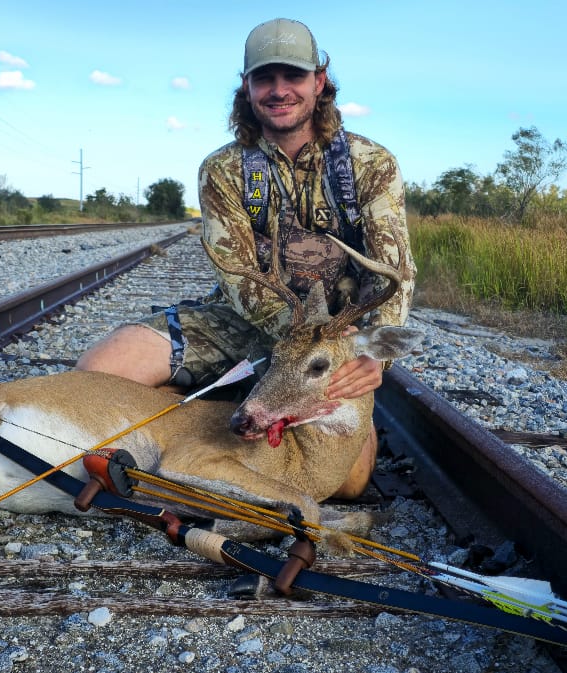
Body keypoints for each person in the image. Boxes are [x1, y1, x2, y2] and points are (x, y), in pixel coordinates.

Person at [76, 17, 414, 499]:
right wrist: (292, 344)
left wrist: (371, 353)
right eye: (264, 78)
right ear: (247, 87)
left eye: (293, 77)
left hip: (334, 344)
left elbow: (394, 269)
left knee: (349, 483)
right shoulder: (223, 169)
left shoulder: (370, 164)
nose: (279, 91)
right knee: (98, 374)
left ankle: (233, 414)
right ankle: (198, 422)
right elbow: (235, 275)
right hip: (241, 321)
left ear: (319, 83)